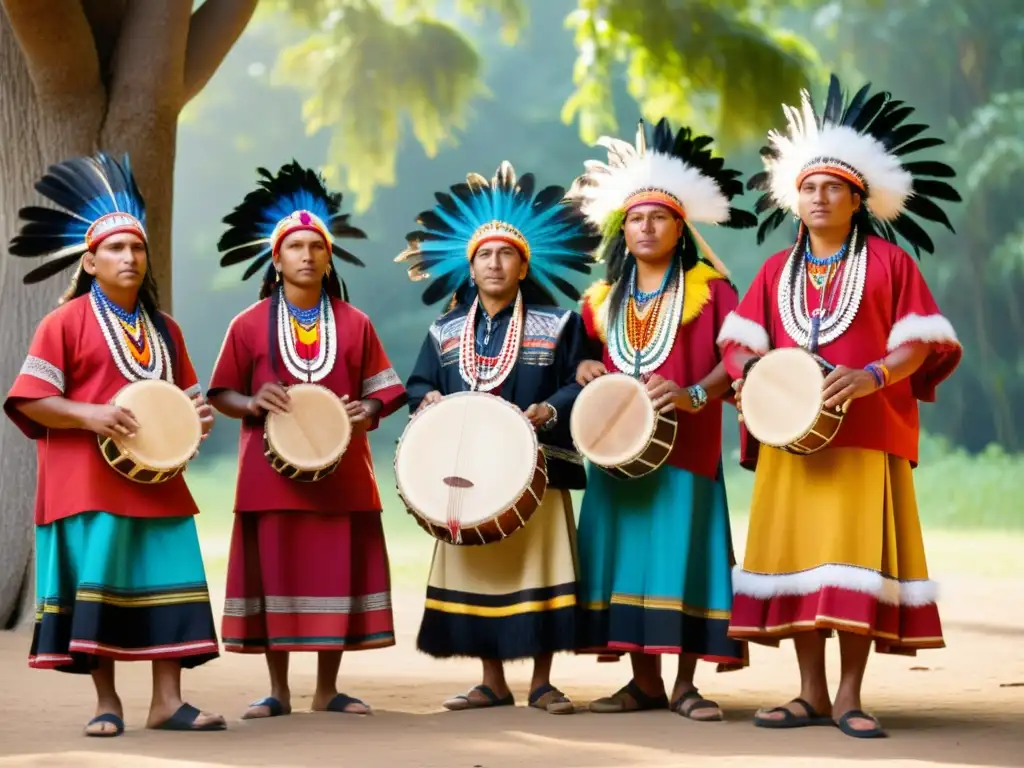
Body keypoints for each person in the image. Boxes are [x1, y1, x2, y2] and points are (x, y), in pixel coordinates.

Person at [716, 75, 963, 739]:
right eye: (808, 187)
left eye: (833, 187)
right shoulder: (773, 273)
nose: (819, 196)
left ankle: (851, 696)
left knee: (852, 565)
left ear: (860, 200)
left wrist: (873, 374)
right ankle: (809, 693)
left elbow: (919, 345)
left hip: (865, 434)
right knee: (800, 565)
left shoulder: (889, 264)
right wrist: (751, 377)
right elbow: (739, 346)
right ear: (794, 200)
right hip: (790, 439)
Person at [3, 153, 224, 736]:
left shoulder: (165, 329)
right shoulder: (64, 323)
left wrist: (197, 419)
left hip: (159, 483)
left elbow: (189, 404)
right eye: (116, 249)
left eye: (138, 249)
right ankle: (107, 703)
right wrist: (90, 414)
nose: (129, 258)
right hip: (87, 483)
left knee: (171, 581)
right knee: (99, 588)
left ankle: (168, 701)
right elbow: (28, 400)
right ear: (91, 260)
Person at [564, 119, 756, 719]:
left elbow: (738, 357)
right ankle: (643, 682)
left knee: (682, 555)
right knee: (623, 557)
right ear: (624, 230)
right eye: (637, 219)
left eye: (660, 218)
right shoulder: (601, 299)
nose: (647, 228)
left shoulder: (711, 290)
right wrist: (585, 373)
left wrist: (696, 394)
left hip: (687, 449)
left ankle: (685, 685)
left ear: (681, 228)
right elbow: (580, 362)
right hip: (616, 451)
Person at [207, 161, 407, 720]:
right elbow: (222, 391)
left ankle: (327, 688)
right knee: (277, 577)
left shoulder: (355, 322)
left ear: (329, 257)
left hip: (341, 474)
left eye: (316, 247)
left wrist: (360, 412)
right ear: (277, 258)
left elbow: (383, 394)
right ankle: (278, 690)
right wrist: (252, 403)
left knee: (335, 577)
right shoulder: (247, 324)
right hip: (269, 476)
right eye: (295, 246)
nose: (307, 255)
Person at [399, 161, 600, 714]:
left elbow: (579, 380)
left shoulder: (558, 324)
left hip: (538, 465)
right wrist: (428, 401)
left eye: (505, 253)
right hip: (467, 472)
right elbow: (418, 383)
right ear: (469, 266)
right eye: (484, 254)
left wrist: (548, 409)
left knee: (541, 568)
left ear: (522, 265)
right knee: (482, 569)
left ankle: (541, 682)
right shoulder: (444, 331)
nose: (494, 262)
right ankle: (491, 681)